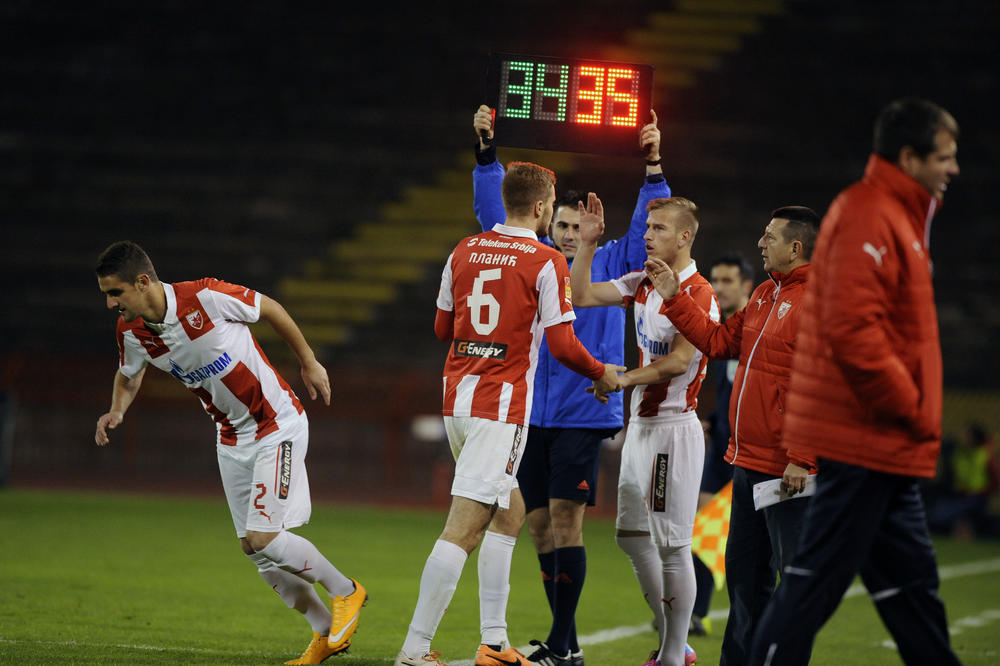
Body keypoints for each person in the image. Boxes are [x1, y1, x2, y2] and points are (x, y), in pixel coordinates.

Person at [747, 98, 962, 665]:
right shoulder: (870, 215)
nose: (954, 168)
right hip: (865, 439)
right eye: (945, 156)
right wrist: (911, 405)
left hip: (886, 445)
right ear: (910, 157)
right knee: (807, 590)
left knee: (912, 594)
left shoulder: (901, 217)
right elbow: (852, 331)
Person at [395, 162, 625, 666]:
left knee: (512, 512)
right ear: (543, 207)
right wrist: (600, 371)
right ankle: (413, 650)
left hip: (457, 398)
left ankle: (495, 644)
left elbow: (442, 328)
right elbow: (564, 344)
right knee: (464, 527)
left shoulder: (464, 249)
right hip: (499, 409)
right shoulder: (545, 262)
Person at [93, 241, 365, 666]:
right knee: (253, 550)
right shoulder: (131, 331)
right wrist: (116, 410)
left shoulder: (203, 296)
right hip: (231, 436)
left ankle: (346, 591)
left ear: (143, 281)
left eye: (115, 292)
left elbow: (271, 308)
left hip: (276, 423)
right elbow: (128, 375)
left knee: (264, 537)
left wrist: (309, 362)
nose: (110, 303)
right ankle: (325, 633)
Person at [471, 104, 670, 665]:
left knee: (565, 520)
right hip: (529, 414)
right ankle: (570, 643)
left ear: (586, 228)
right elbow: (495, 215)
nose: (564, 235)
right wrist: (487, 156)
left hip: (585, 412)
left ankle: (561, 643)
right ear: (544, 224)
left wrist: (653, 164)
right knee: (536, 528)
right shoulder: (528, 262)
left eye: (573, 227)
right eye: (556, 225)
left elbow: (648, 225)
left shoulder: (609, 263)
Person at [647, 206, 821, 664]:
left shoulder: (819, 303)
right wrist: (673, 297)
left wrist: (802, 456)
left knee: (791, 583)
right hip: (747, 463)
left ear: (795, 247)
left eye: (770, 236)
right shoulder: (764, 294)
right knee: (745, 580)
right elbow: (720, 343)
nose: (761, 243)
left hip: (786, 470)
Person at [572, 196, 716, 666]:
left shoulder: (699, 295)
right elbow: (582, 296)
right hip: (642, 428)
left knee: (673, 547)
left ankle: (674, 654)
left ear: (684, 237)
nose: (647, 234)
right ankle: (679, 644)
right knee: (631, 537)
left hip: (673, 432)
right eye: (647, 226)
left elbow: (678, 362)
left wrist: (622, 378)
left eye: (657, 228)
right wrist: (588, 245)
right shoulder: (642, 282)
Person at [690, 252, 755, 636]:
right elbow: (732, 391)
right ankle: (696, 612)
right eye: (715, 280)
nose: (718, 288)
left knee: (746, 539)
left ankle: (752, 616)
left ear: (748, 286)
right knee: (701, 526)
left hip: (751, 451)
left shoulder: (757, 330)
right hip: (721, 449)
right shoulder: (724, 329)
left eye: (728, 280)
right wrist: (712, 421)